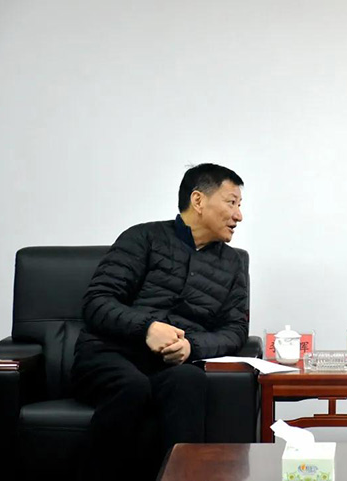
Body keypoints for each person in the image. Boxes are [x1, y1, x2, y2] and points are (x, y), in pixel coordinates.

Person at [71, 163, 248, 481]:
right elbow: (97, 301)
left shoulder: (234, 263)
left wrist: (192, 346)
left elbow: (235, 330)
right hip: (111, 354)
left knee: (189, 381)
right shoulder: (143, 237)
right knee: (133, 387)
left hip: (169, 365)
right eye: (231, 202)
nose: (239, 215)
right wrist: (147, 328)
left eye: (239, 205)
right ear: (198, 200)